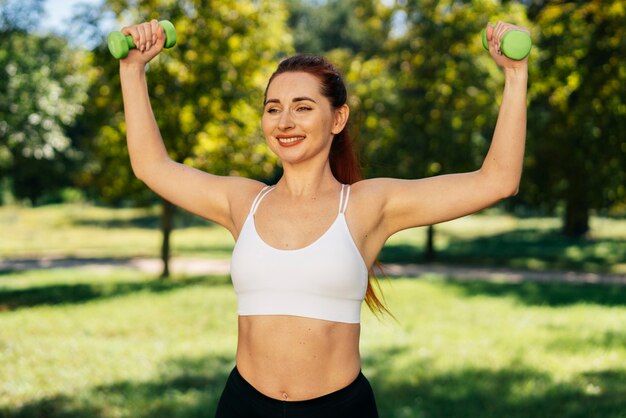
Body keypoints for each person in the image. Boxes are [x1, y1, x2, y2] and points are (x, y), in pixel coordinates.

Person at [119, 19, 528, 418]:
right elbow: (151, 165)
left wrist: (514, 75)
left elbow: (498, 180)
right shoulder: (243, 201)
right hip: (243, 404)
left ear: (337, 119)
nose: (284, 122)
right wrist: (132, 70)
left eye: (303, 107)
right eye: (273, 108)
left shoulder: (369, 204)